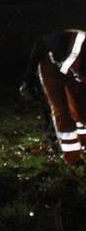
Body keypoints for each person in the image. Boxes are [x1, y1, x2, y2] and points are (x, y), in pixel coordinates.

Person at [20, 29, 86, 166]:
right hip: (52, 61)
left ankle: (79, 151)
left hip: (70, 62)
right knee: (61, 110)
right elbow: (41, 42)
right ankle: (73, 158)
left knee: (79, 109)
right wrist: (29, 76)